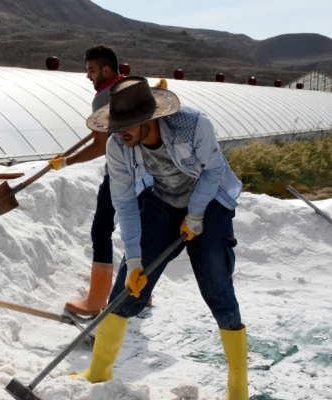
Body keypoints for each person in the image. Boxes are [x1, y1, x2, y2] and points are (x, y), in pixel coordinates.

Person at [72, 76, 248, 400]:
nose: (119, 133)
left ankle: (238, 388)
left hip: (209, 203)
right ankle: (99, 370)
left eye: (126, 126)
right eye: (115, 125)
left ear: (147, 120)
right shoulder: (118, 145)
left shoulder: (193, 124)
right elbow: (124, 202)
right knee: (127, 287)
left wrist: (195, 214)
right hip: (164, 201)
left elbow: (213, 169)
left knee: (217, 287)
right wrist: (136, 259)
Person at [49, 44, 152, 316]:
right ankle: (143, 291)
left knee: (101, 231)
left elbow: (99, 146)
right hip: (148, 173)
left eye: (91, 70)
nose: (88, 76)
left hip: (120, 172)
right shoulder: (132, 86)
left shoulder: (103, 97)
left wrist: (67, 161)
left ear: (106, 70)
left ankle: (95, 301)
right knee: (141, 231)